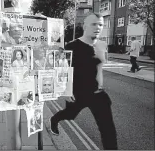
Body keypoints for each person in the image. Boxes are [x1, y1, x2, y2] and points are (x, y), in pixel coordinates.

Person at [50, 13, 118, 150]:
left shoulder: (102, 45)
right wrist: (66, 91)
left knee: (108, 131)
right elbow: (61, 70)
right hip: (78, 93)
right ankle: (54, 120)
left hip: (98, 94)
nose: (98, 27)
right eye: (94, 24)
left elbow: (99, 68)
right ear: (85, 26)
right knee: (70, 115)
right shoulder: (71, 46)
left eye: (100, 25)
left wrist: (100, 85)